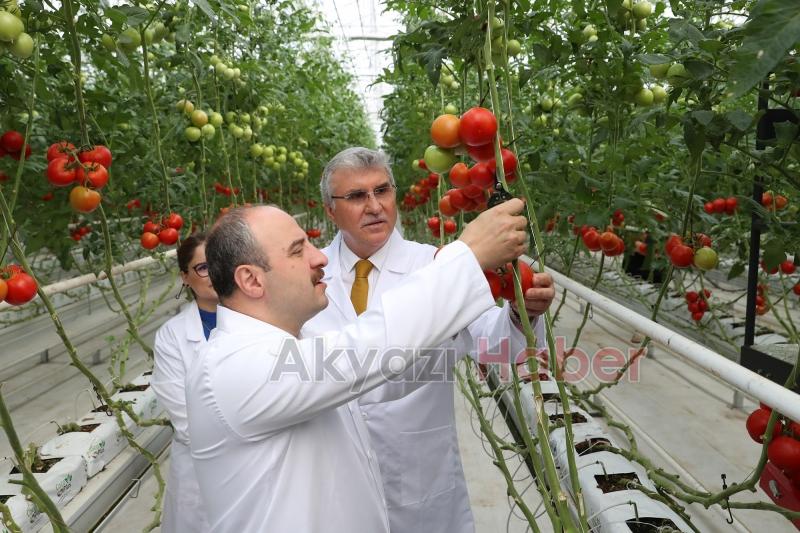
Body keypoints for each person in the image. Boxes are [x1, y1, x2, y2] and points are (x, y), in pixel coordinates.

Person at [185, 202, 528, 533]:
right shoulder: (235, 368)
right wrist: (466, 257)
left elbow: (380, 376)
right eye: (297, 250)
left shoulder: (296, 344)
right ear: (252, 280)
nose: (319, 257)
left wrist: (500, 320)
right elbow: (369, 345)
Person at [301, 147, 556, 533]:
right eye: (356, 196)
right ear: (329, 210)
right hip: (333, 470)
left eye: (382, 191)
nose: (374, 206)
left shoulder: (437, 265)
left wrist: (524, 314)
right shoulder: (306, 276)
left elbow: (497, 347)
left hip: (419, 472)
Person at [152, 233, 217, 533]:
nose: (214, 273)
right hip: (199, 469)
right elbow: (184, 416)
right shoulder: (172, 336)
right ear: (185, 277)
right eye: (203, 268)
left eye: (220, 263)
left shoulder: (264, 322)